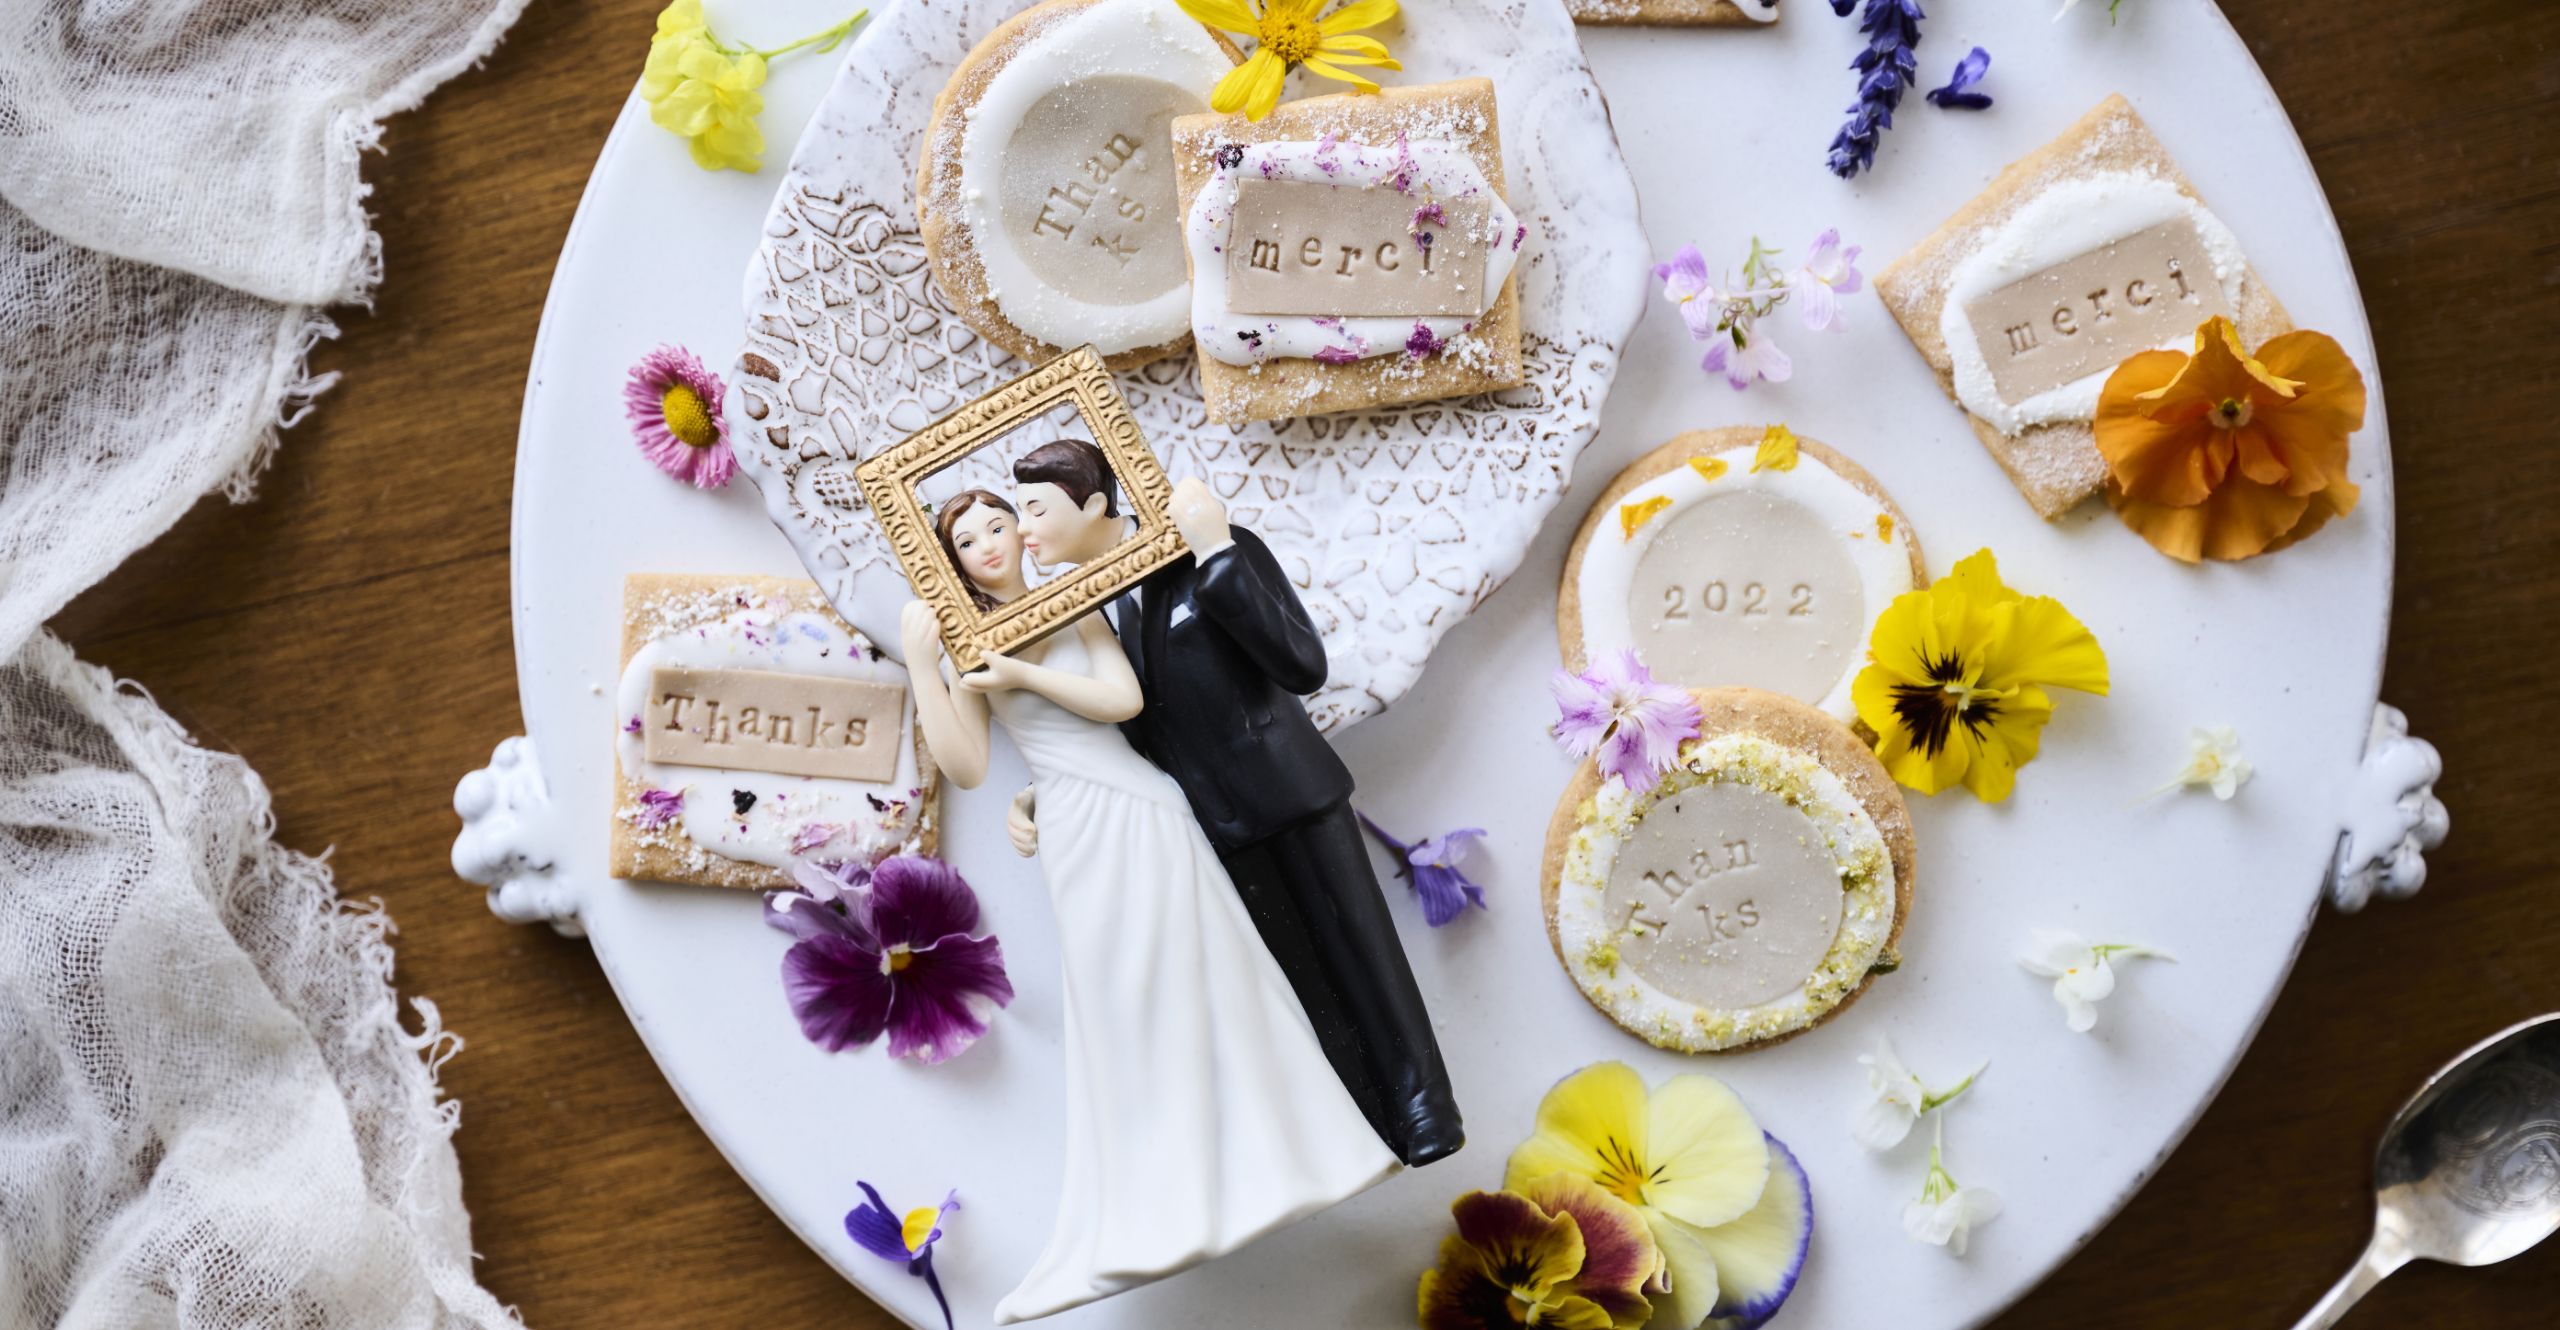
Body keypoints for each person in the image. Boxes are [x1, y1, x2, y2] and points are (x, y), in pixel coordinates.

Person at [902, 486, 1397, 1325]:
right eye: (967, 542)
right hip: (1074, 827)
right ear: (952, 567)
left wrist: (1020, 671)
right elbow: (968, 768)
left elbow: (1122, 702)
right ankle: (1158, 1204)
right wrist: (926, 666)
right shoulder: (968, 651)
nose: (988, 544)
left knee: (1212, 977)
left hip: (1139, 804)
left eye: (997, 525)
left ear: (1020, 533)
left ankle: (1297, 1160)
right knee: (1118, 1005)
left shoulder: (1074, 603)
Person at [1005, 439, 1465, 1170]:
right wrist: (1048, 789)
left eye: (1035, 509)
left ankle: (1424, 1105)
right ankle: (1365, 1127)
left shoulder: (1212, 552)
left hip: (1290, 788)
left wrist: (1217, 553)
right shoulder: (1090, 616)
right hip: (1208, 822)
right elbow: (1121, 728)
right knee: (1296, 979)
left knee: (1362, 948)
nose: (1023, 528)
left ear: (1092, 504)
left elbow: (1302, 663)